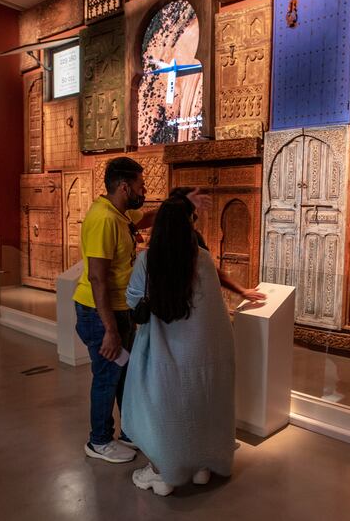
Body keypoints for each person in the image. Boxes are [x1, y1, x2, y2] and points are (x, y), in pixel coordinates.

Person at [122, 195, 236, 496]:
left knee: (163, 411)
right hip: (202, 350)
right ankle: (200, 467)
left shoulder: (149, 260)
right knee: (201, 405)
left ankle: (163, 474)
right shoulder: (203, 259)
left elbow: (133, 299)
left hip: (161, 352)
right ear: (189, 226)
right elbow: (214, 311)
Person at [73, 156, 148, 464]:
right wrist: (110, 330)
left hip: (119, 309)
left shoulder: (119, 214)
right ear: (123, 186)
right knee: (107, 376)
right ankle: (99, 440)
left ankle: (128, 432)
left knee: (124, 373)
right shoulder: (103, 219)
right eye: (140, 186)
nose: (144, 191)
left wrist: (182, 204)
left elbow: (145, 218)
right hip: (99, 312)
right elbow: (97, 277)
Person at [168, 187, 266, 304]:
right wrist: (242, 290)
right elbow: (211, 270)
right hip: (190, 304)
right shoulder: (191, 238)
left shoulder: (157, 241)